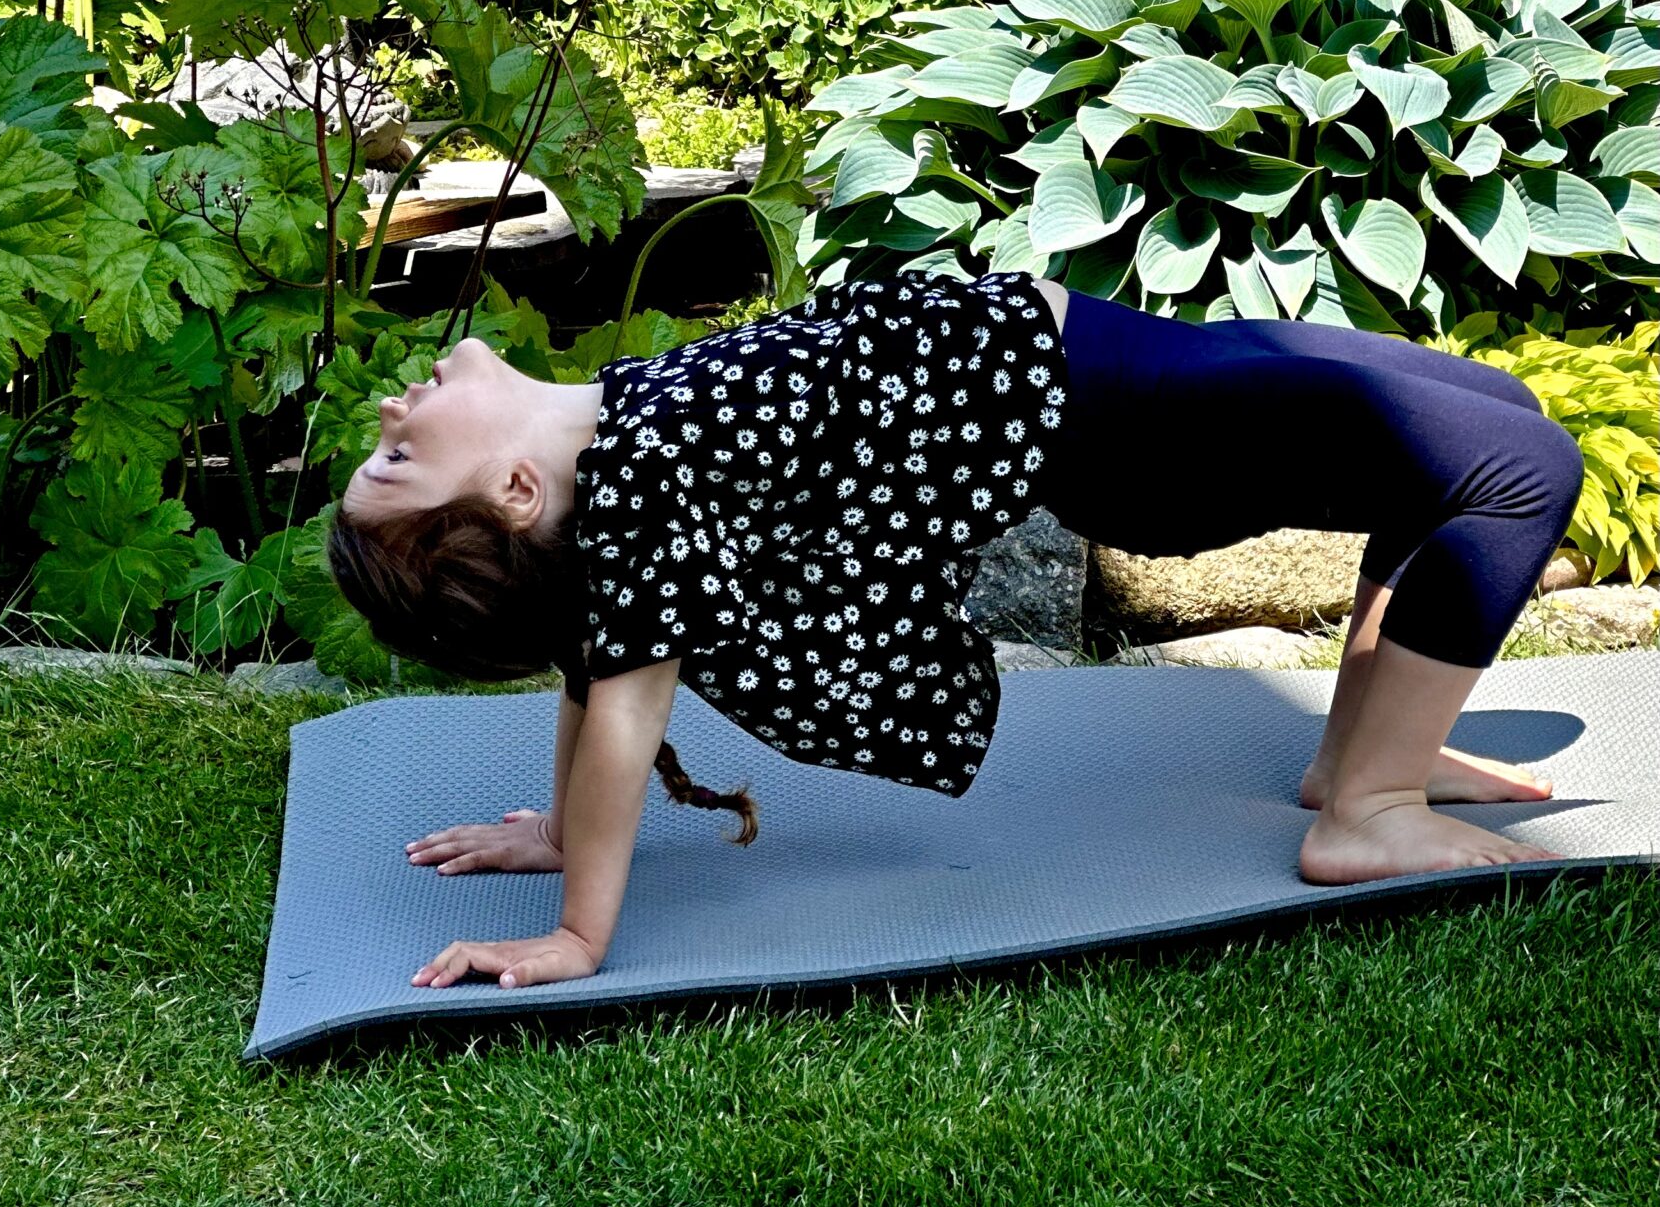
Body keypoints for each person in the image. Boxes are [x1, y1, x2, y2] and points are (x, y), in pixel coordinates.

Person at [329, 270, 1584, 995]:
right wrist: (578, 935)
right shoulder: (645, 480)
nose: (393, 408)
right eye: (395, 457)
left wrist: (556, 832)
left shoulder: (617, 453)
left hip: (1085, 348)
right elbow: (620, 701)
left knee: (1491, 407)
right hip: (1110, 421)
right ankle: (1370, 805)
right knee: (1520, 466)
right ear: (512, 496)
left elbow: (597, 653)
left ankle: (1362, 754)